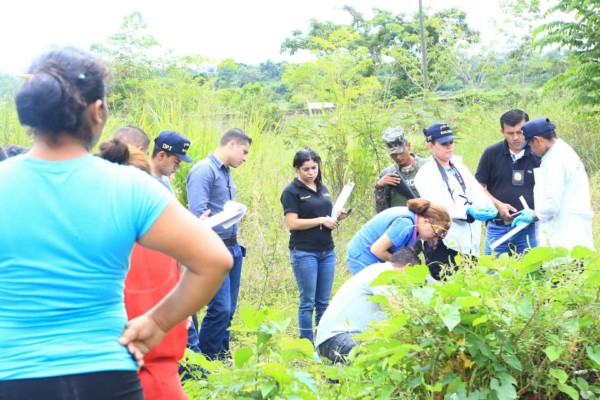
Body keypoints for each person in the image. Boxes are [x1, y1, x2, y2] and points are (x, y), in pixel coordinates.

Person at [0, 47, 232, 400]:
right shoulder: (129, 186)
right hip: (108, 376)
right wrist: (157, 323)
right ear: (97, 111)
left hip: (14, 376)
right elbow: (214, 260)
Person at [99, 138, 189, 399]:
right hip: (161, 380)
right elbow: (213, 263)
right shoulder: (166, 236)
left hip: (110, 378)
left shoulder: (89, 242)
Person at [186, 127, 252, 360]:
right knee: (219, 308)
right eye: (243, 151)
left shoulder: (225, 172)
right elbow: (197, 215)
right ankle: (206, 359)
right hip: (213, 246)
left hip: (232, 246)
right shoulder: (204, 170)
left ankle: (222, 355)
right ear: (232, 144)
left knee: (229, 309)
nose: (244, 158)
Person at [280, 147, 347, 344]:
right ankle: (306, 344)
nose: (311, 173)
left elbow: (327, 217)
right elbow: (293, 223)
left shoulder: (322, 188)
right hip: (304, 252)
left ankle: (323, 341)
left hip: (327, 250)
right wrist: (321, 220)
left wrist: (336, 217)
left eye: (314, 168)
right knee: (307, 302)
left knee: (323, 302)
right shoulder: (291, 192)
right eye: (306, 169)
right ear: (297, 170)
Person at [414, 123, 496, 280]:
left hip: (469, 241)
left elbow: (476, 191)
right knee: (449, 289)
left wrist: (486, 206)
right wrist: (466, 211)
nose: (449, 147)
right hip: (445, 242)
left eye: (451, 142)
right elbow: (437, 207)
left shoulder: (459, 166)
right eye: (443, 143)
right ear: (431, 145)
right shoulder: (425, 174)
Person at [315, 248, 420, 364]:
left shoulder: (377, 271)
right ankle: (336, 371)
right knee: (374, 359)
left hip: (346, 338)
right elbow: (398, 311)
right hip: (336, 338)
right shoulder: (383, 273)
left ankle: (337, 371)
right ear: (408, 267)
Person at [511, 117, 594, 250]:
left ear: (538, 140)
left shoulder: (555, 160)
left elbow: (551, 204)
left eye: (530, 145)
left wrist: (533, 216)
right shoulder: (563, 151)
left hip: (565, 234)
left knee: (563, 266)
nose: (531, 150)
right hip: (572, 228)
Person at [475, 110, 540, 256]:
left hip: (529, 227)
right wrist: (498, 205)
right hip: (497, 227)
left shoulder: (538, 152)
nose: (516, 138)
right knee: (492, 273)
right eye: (510, 133)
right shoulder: (491, 153)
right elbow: (479, 187)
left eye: (520, 132)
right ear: (502, 131)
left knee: (532, 274)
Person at [346, 199, 451, 276]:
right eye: (436, 232)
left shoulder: (416, 226)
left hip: (374, 255)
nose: (435, 237)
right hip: (363, 254)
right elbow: (377, 249)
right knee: (373, 296)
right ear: (426, 221)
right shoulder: (405, 223)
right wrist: (402, 265)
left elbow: (406, 249)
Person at [375, 126, 428, 213]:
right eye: (394, 154)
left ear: (409, 145)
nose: (398, 157)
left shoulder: (427, 167)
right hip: (399, 222)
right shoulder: (387, 174)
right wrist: (380, 187)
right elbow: (382, 213)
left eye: (400, 152)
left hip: (425, 222)